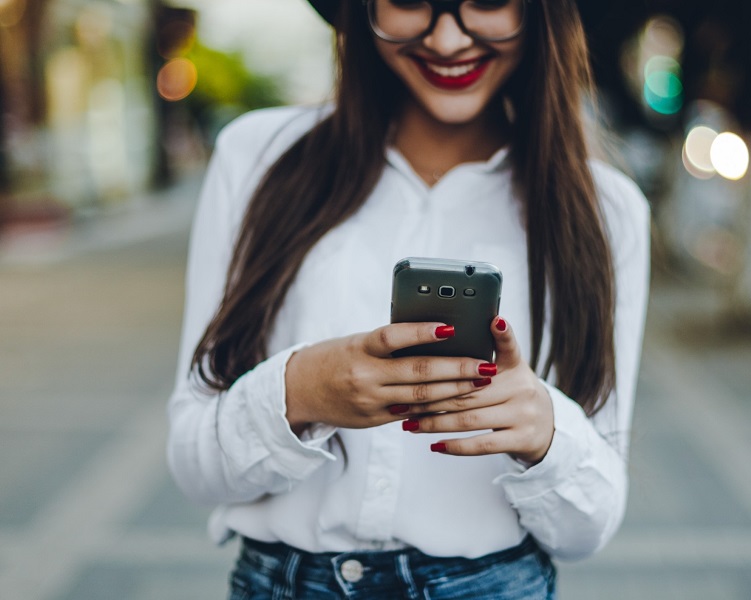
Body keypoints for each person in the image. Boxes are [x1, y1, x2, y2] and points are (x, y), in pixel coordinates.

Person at [167, 0, 650, 597]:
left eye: (489, 1)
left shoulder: (608, 212)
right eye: (410, 1)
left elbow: (589, 527)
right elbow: (193, 466)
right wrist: (302, 391)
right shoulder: (257, 158)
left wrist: (548, 434)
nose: (447, 39)